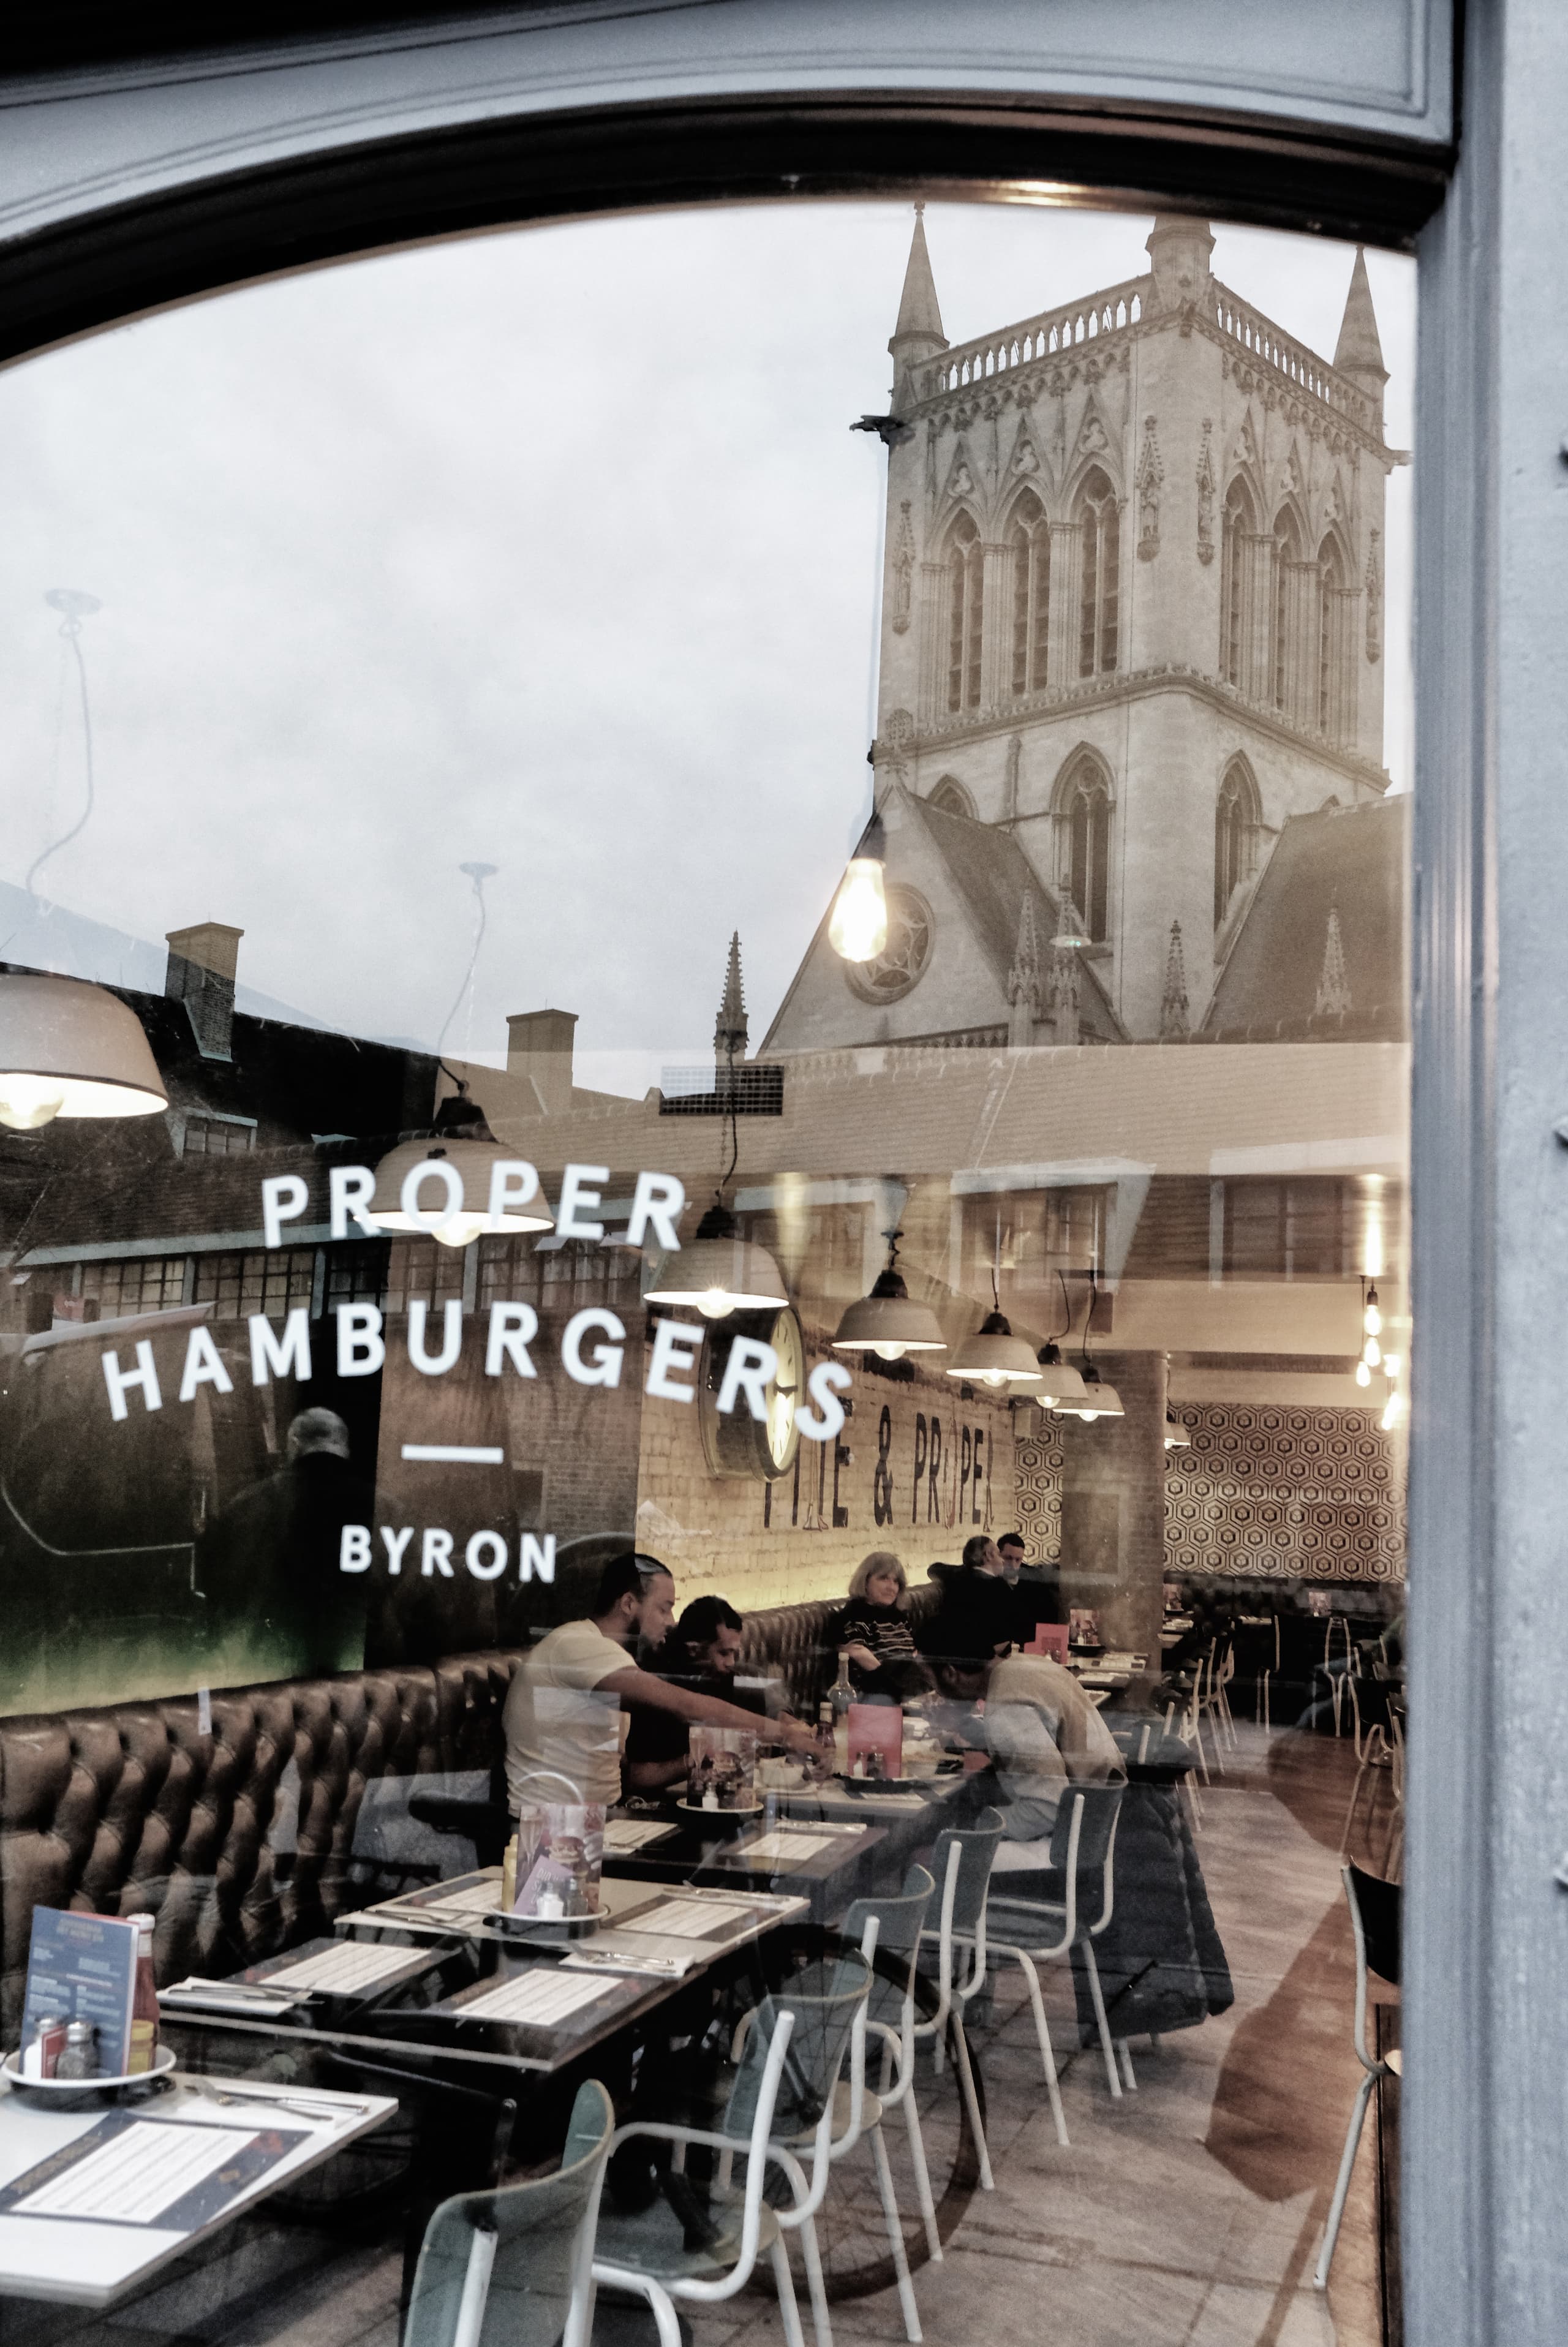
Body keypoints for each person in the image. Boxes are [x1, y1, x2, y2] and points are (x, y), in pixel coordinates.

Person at [503, 1553, 813, 1812]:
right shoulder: (578, 1645)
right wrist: (785, 1734)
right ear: (629, 1604)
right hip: (550, 1829)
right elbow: (687, 1706)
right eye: (663, 1608)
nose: (670, 1621)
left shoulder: (609, 1659)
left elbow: (624, 1773)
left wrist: (696, 1760)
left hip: (605, 1818)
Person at [196, 1406, 377, 1678]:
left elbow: (213, 1590)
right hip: (359, 1680)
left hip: (265, 1674)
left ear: (294, 1443)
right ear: (344, 1446)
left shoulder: (244, 1508)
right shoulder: (385, 1511)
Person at [925, 1632, 1125, 1843]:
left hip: (1071, 1837)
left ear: (950, 1673)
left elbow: (1046, 1810)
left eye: (928, 1679)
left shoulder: (1007, 1706)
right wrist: (962, 1724)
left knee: (945, 1848)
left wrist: (976, 1826)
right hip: (1095, 1812)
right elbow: (1021, 1743)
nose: (934, 1691)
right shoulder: (1027, 1665)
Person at [624, 1594, 764, 1795]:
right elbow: (636, 1778)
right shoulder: (656, 1686)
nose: (731, 1663)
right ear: (693, 1650)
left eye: (734, 1654)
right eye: (724, 1653)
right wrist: (694, 1760)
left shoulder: (726, 1681)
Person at [835, 1552, 930, 1703]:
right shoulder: (854, 1614)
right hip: (872, 1698)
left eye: (896, 1582)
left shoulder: (898, 1617)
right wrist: (900, 1690)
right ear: (865, 1581)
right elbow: (859, 1655)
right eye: (884, 1578)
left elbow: (914, 1656)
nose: (891, 1587)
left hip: (904, 1695)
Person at [925, 1532, 1017, 1663]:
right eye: (998, 1554)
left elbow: (933, 1569)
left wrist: (971, 1566)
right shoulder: (1001, 1586)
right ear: (989, 1555)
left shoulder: (954, 1577)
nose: (1002, 1561)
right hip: (986, 1655)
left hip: (952, 1648)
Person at [996, 1529, 1067, 1637]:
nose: (1013, 1565)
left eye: (1018, 1560)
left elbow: (1049, 1617)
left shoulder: (1034, 1579)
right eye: (1008, 1558)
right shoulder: (989, 1577)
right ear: (998, 1555)